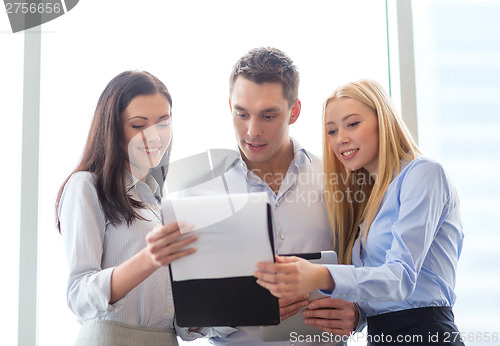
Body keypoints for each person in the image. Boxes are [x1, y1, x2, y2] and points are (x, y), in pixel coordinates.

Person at [254, 79, 465, 345]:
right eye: (331, 131)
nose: (341, 139)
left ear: (382, 121)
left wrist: (319, 275)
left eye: (352, 124)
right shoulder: (368, 198)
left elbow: (400, 277)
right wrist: (355, 313)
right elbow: (379, 295)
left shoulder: (423, 174)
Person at [179, 47, 359, 346]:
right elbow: (184, 323)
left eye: (268, 115)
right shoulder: (196, 193)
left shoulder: (339, 180)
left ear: (295, 111)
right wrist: (245, 308)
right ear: (230, 106)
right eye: (241, 114)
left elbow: (369, 273)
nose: (252, 131)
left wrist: (358, 313)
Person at [55, 71, 230, 346]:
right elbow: (79, 295)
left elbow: (179, 322)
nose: (154, 136)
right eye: (138, 125)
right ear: (112, 128)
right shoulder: (86, 186)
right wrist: (149, 259)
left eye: (163, 123)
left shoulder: (160, 203)